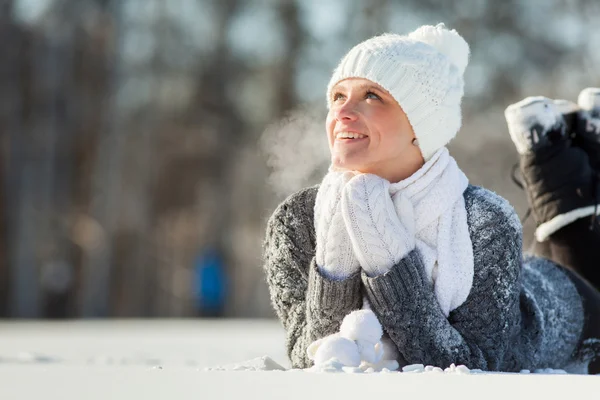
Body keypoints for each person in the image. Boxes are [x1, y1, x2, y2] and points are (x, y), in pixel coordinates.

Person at [262, 23, 600, 373]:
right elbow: (313, 358)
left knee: (584, 257)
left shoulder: (485, 219)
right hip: (523, 276)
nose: (342, 112)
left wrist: (389, 260)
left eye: (372, 96)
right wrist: (338, 259)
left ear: (421, 125)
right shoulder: (297, 220)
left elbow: (473, 365)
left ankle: (561, 175)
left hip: (557, 305)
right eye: (338, 96)